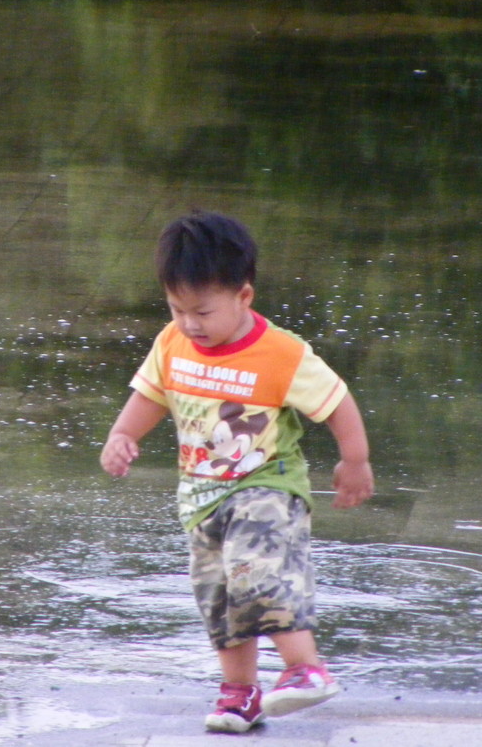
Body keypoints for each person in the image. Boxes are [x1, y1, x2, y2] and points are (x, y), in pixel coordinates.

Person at [100, 211, 374, 734]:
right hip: (201, 496)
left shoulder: (280, 354)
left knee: (256, 568)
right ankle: (240, 694)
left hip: (266, 484)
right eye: (177, 308)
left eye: (202, 311)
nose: (189, 323)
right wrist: (122, 436)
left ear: (243, 297)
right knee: (219, 598)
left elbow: (337, 402)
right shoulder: (172, 343)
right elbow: (151, 394)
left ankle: (304, 667)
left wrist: (354, 460)